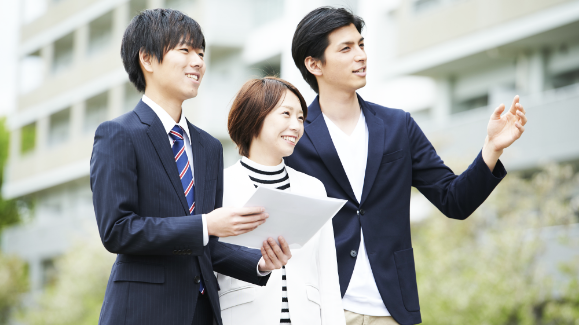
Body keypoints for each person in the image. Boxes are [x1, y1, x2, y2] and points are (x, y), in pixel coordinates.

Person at [286, 7, 527, 325]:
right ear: (314, 63)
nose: (361, 55)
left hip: (390, 309)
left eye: (361, 44)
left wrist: (491, 148)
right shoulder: (295, 135)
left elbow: (454, 200)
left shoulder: (398, 125)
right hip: (319, 307)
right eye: (346, 48)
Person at [90, 9, 291, 325]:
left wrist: (260, 263)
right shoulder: (119, 134)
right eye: (185, 50)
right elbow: (118, 230)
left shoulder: (209, 147)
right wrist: (206, 225)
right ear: (148, 59)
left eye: (201, 52)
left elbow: (206, 246)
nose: (198, 62)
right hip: (141, 312)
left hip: (201, 314)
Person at [214, 77, 346, 325]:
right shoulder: (219, 186)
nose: (296, 126)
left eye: (300, 118)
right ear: (254, 115)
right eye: (286, 114)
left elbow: (328, 274)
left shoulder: (313, 188)